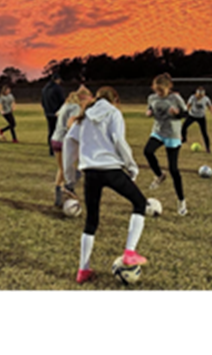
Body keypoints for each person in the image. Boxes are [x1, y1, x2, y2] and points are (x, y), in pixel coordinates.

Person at [62, 86, 149, 283]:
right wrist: (131, 165)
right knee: (140, 203)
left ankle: (83, 270)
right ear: (115, 100)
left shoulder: (83, 116)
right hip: (111, 170)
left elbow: (69, 141)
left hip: (90, 172)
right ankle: (130, 251)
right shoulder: (114, 113)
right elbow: (119, 140)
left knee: (91, 221)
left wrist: (70, 175)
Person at [143, 74, 190, 216]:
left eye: (161, 90)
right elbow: (150, 108)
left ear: (168, 87)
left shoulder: (175, 98)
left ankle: (181, 201)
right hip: (158, 131)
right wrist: (149, 112)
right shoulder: (152, 98)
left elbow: (186, 114)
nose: (159, 93)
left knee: (174, 170)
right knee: (148, 151)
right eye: (156, 90)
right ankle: (159, 175)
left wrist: (177, 114)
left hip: (173, 134)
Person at [52, 86, 91, 209]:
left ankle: (58, 200)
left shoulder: (65, 105)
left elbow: (57, 114)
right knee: (83, 164)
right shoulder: (76, 107)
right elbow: (71, 123)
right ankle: (69, 186)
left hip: (55, 139)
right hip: (65, 141)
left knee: (62, 170)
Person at [182, 87, 212, 154]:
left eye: (201, 95)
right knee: (183, 127)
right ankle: (184, 138)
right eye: (199, 95)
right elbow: (188, 105)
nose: (200, 96)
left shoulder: (206, 99)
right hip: (192, 116)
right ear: (196, 94)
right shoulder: (192, 98)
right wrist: (185, 111)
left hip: (201, 117)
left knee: (204, 133)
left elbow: (210, 106)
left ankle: (208, 148)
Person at [41, 74, 67, 156]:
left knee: (51, 131)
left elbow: (42, 101)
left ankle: (51, 150)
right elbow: (62, 101)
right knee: (59, 131)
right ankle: (59, 149)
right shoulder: (57, 88)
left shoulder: (44, 89)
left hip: (48, 113)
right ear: (57, 80)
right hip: (57, 113)